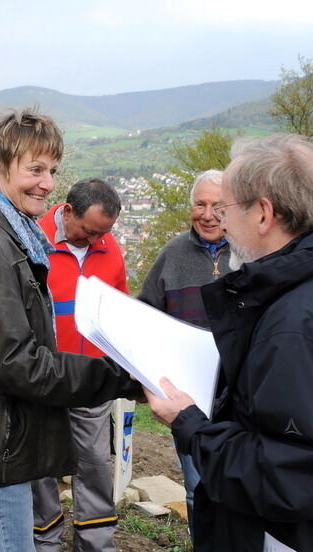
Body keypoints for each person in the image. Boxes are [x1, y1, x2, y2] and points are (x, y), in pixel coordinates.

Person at [143, 134, 313, 551]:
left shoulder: (300, 324)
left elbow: (288, 478)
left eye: (228, 207)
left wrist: (190, 423)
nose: (221, 219)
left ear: (263, 214)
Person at [0, 109, 141, 552]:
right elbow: (19, 363)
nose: (48, 183)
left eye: (51, 170)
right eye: (35, 169)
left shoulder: (6, 234)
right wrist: (122, 378)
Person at [32, 178, 127, 552]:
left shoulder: (108, 245)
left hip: (91, 379)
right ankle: (45, 542)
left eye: (103, 234)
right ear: (67, 211)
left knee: (94, 465)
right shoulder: (33, 241)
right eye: (89, 231)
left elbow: (117, 308)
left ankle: (96, 544)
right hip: (43, 378)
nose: (95, 240)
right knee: (40, 468)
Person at [137, 169, 230, 538]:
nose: (207, 214)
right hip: (188, 398)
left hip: (240, 396)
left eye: (218, 205)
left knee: (240, 488)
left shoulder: (250, 252)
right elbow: (145, 314)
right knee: (197, 489)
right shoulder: (172, 254)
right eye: (200, 204)